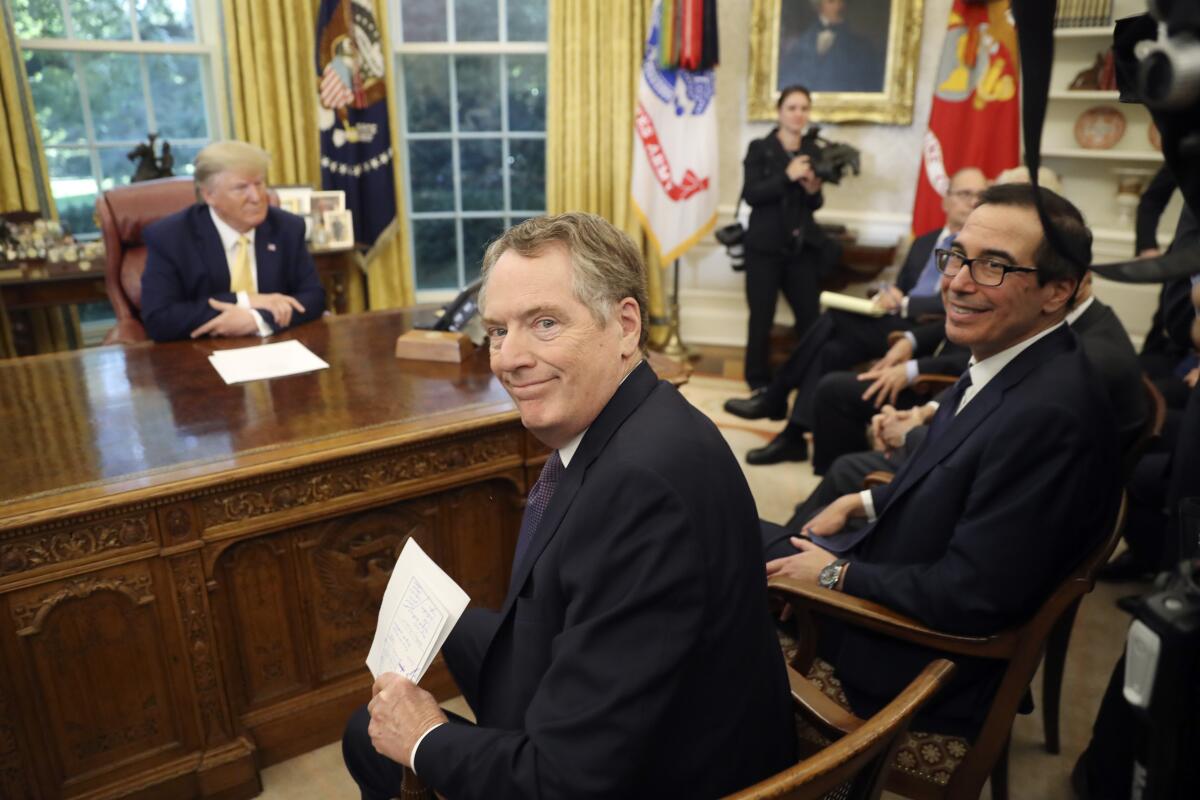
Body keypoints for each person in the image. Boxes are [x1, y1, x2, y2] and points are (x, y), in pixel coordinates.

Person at [342, 213, 795, 799]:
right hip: (635, 701)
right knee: (451, 623)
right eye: (498, 331)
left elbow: (564, 782)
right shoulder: (643, 418)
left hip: (658, 776)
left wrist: (423, 736)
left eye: (545, 323)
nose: (508, 358)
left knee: (367, 733)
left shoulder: (640, 488)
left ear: (625, 325)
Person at [764, 184, 1122, 736]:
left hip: (908, 656)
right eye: (956, 256)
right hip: (886, 580)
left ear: (1058, 291)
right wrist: (862, 500)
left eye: (994, 267)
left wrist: (832, 575)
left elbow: (971, 597)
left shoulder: (1051, 415)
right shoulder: (1009, 359)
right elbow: (952, 475)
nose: (956, 281)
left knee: (701, 585)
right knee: (707, 534)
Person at [726, 166, 987, 465]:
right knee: (831, 349)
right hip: (892, 323)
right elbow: (902, 287)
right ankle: (794, 435)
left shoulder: (978, 254)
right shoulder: (925, 242)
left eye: (979, 195)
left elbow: (958, 299)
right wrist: (889, 294)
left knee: (835, 318)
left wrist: (904, 306)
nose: (972, 201)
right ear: (946, 200)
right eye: (965, 193)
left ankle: (777, 397)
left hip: (929, 333)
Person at [140, 140, 326, 342]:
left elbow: (314, 298)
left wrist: (256, 319)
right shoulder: (171, 237)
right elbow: (159, 320)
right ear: (209, 195)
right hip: (201, 355)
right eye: (241, 188)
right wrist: (245, 300)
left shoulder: (287, 227)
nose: (256, 197)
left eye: (259, 183)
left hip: (275, 348)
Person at [739, 84, 842, 391]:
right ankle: (757, 381)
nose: (799, 114)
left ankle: (808, 380)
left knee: (810, 318)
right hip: (764, 248)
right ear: (780, 112)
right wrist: (787, 175)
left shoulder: (813, 151)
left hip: (801, 248)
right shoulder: (761, 148)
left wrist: (813, 191)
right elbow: (752, 194)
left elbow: (814, 204)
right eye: (792, 108)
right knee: (761, 317)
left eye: (804, 108)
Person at [778, 0, 883, 93]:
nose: (839, 6)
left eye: (842, 1)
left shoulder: (862, 47)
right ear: (818, 5)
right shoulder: (800, 43)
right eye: (831, 1)